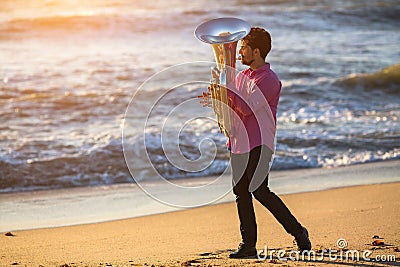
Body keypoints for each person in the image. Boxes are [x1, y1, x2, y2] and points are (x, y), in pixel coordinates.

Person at [225, 27, 312, 258]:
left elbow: (245, 107)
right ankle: (249, 245)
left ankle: (298, 231)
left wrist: (227, 86)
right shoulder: (243, 77)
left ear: (256, 51)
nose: (239, 52)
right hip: (240, 141)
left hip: (260, 142)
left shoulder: (270, 80)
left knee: (259, 190)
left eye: (243, 47)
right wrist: (218, 97)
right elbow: (234, 110)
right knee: (241, 190)